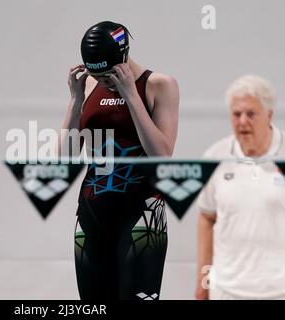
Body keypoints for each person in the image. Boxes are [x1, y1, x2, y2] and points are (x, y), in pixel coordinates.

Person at [60, 21, 179, 299]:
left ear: (123, 58)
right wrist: (76, 101)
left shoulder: (159, 85)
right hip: (92, 215)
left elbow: (162, 154)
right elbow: (63, 160)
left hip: (142, 216)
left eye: (108, 75)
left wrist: (130, 95)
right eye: (96, 74)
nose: (102, 82)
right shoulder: (88, 86)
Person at [195, 75, 285, 300]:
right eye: (236, 114)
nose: (243, 121)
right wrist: (202, 282)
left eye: (251, 114)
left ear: (269, 115)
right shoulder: (215, 156)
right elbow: (206, 218)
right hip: (226, 291)